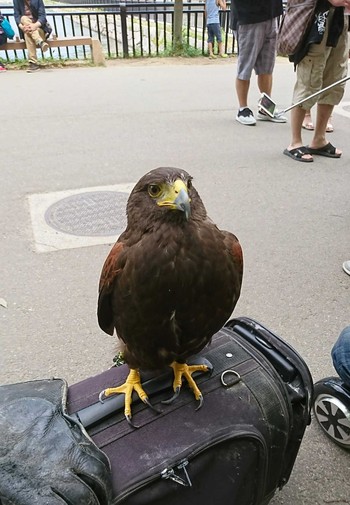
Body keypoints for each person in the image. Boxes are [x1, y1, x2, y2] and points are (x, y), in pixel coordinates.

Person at [284, 0, 350, 162]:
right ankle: (295, 142)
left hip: (342, 18)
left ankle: (319, 139)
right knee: (309, 79)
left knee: (335, 79)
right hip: (316, 19)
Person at [230, 0, 287, 126]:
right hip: (248, 17)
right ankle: (243, 109)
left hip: (271, 14)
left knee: (267, 67)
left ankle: (265, 108)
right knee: (245, 66)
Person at [13, 0, 52, 73]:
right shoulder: (17, 1)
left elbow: (42, 17)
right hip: (27, 29)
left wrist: (34, 25)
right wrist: (22, 27)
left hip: (39, 29)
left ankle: (33, 63)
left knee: (27, 34)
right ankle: (40, 42)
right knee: (23, 18)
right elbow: (17, 16)